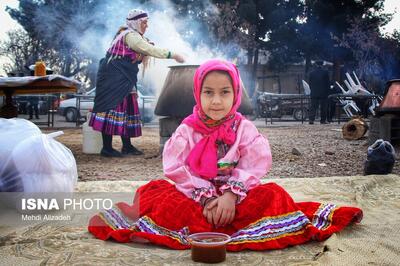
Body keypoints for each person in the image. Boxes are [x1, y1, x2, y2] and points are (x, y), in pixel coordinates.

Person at [88, 59, 362, 251]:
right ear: (198, 93)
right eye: (208, 93)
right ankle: (213, 220)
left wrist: (230, 196)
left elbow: (256, 162)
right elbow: (175, 167)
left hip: (238, 196)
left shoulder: (244, 128)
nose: (216, 101)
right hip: (197, 196)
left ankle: (219, 222)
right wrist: (207, 197)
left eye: (224, 92)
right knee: (157, 193)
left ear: (235, 95)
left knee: (274, 194)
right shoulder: (187, 130)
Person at [89, 9, 185, 157]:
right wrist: (173, 55)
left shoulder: (133, 36)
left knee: (126, 109)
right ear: (136, 23)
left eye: (147, 22)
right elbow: (148, 49)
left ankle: (127, 146)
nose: (146, 26)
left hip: (124, 78)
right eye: (144, 22)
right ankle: (106, 148)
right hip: (113, 78)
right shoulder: (130, 36)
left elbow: (144, 48)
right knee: (111, 108)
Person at [308, 60, 330, 124]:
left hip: (314, 92)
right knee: (323, 107)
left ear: (316, 65)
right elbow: (327, 83)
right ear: (322, 65)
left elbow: (310, 83)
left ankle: (311, 120)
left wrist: (312, 90)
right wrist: (327, 92)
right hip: (323, 93)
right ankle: (323, 120)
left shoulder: (311, 73)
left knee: (313, 107)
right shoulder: (325, 72)